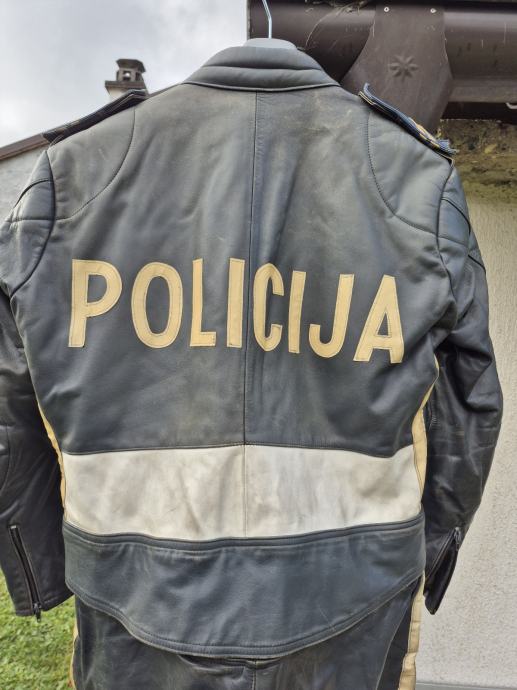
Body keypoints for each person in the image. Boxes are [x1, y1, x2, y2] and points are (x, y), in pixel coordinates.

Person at [0, 43, 503, 690]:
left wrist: (37, 560)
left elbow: (9, 403)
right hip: (354, 601)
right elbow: (470, 399)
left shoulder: (73, 172)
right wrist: (431, 548)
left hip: (133, 593)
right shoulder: (417, 179)